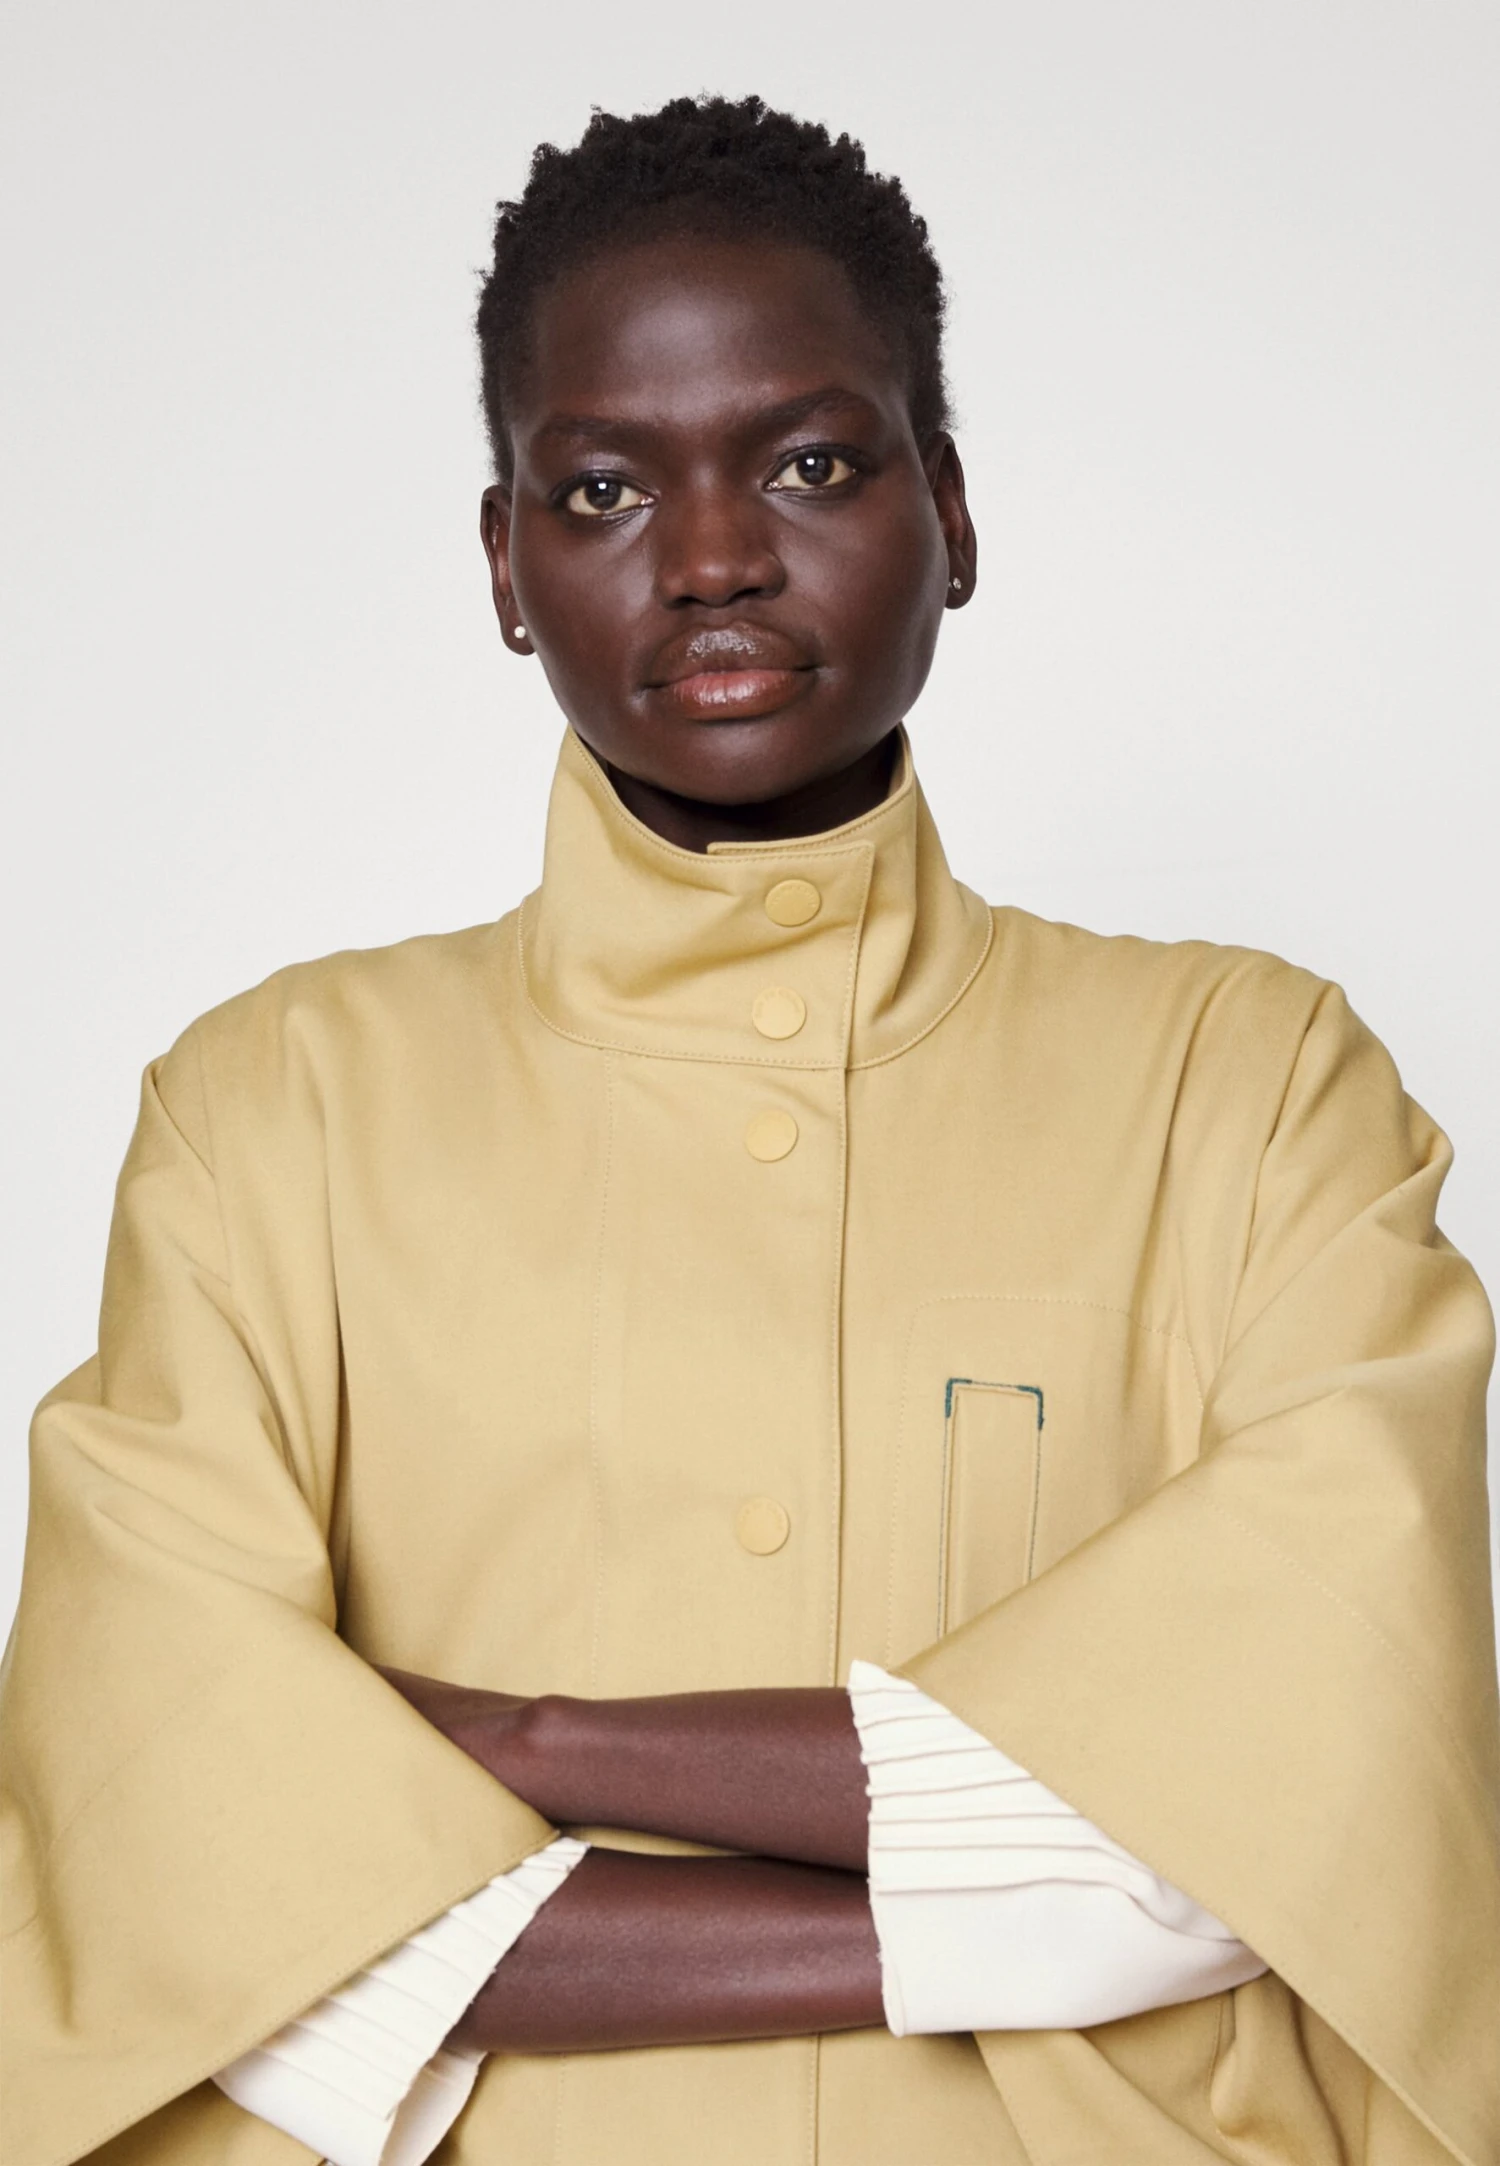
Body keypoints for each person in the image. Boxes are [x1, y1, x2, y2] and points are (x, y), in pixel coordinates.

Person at [2, 93, 1495, 2166]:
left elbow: (1319, 1805)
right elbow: (176, 1874)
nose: (711, 557)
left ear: (951, 508)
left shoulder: (1252, 1089)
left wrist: (510, 1748)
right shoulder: (270, 1115)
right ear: (507, 563)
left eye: (809, 462)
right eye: (604, 487)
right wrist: (1021, 1904)